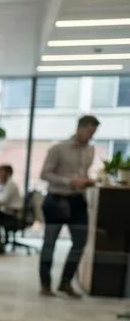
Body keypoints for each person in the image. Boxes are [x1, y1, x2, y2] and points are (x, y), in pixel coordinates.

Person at [39, 115, 98, 298]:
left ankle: (66, 282)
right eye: (89, 131)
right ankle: (46, 284)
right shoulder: (58, 149)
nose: (91, 135)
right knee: (50, 243)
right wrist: (70, 182)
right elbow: (45, 174)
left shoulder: (90, 150)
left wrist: (86, 181)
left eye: (94, 132)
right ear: (79, 128)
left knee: (80, 242)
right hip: (56, 200)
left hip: (78, 201)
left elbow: (83, 172)